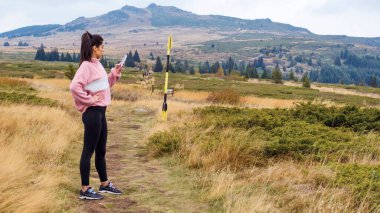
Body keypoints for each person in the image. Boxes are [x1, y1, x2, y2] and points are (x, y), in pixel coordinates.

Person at [70, 31, 123, 200]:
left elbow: (104, 85)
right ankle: (85, 189)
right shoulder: (86, 66)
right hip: (92, 113)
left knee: (101, 151)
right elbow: (74, 87)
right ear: (94, 48)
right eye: (102, 47)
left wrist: (114, 73)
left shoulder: (97, 64)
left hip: (101, 112)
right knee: (88, 151)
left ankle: (104, 184)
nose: (103, 50)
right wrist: (89, 100)